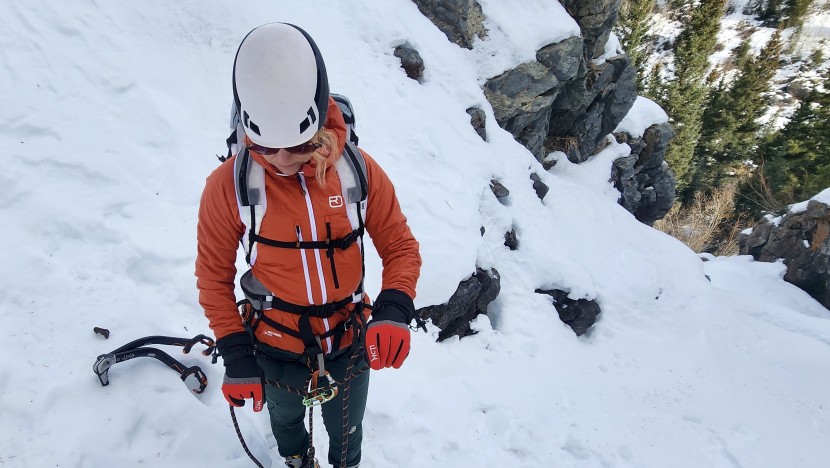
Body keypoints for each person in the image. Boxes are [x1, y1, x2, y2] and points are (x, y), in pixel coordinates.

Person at [195, 23, 422, 468]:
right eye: (265, 146)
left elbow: (399, 245)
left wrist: (395, 308)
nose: (281, 160)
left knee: (346, 433)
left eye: (297, 146)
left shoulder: (357, 170)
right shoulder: (230, 187)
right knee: (285, 423)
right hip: (273, 342)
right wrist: (237, 353)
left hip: (348, 339)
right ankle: (297, 460)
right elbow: (213, 277)